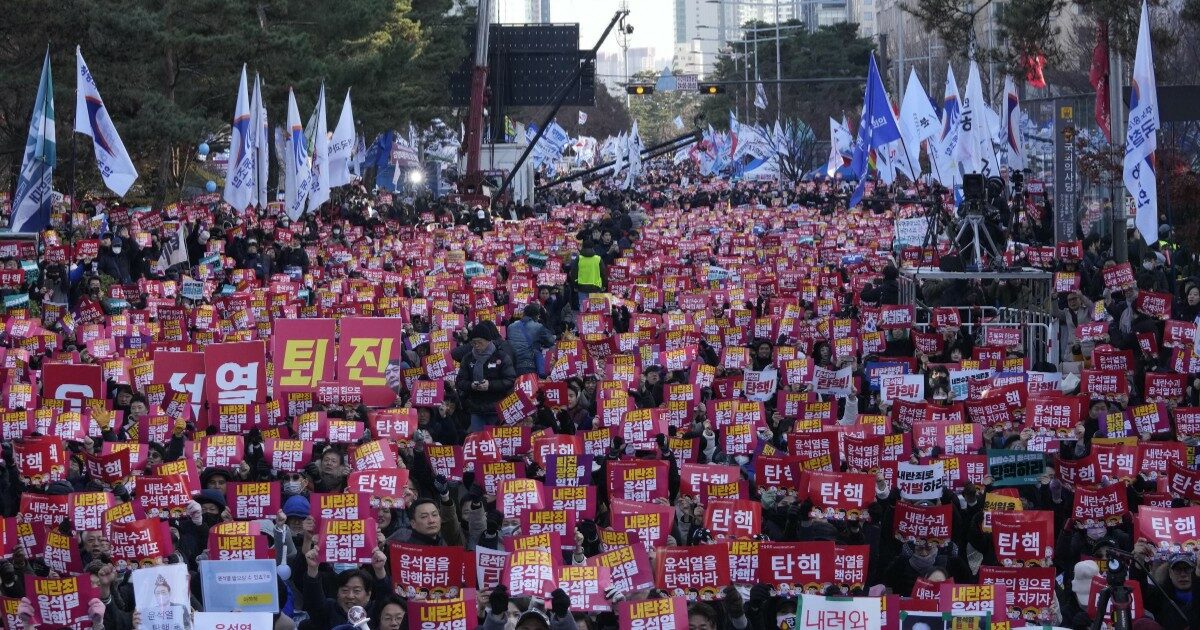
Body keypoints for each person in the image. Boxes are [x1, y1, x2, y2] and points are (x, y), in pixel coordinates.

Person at [455, 323, 516, 432]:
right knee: (478, 440)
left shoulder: (501, 357)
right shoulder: (468, 358)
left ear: (488, 341)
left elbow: (510, 380)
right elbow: (460, 381)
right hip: (476, 408)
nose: (477, 346)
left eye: (480, 342)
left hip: (496, 408)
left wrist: (490, 385)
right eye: (474, 343)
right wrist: (471, 385)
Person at [507, 304, 556, 377]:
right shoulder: (538, 326)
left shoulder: (510, 326)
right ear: (537, 316)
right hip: (528, 365)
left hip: (511, 364)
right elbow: (551, 341)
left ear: (524, 314)